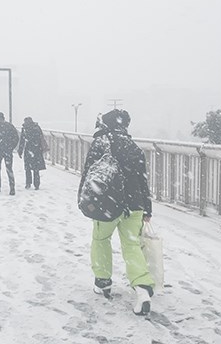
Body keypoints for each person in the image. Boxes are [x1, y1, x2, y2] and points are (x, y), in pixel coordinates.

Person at [78, 109, 155, 316]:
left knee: (101, 239)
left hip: (107, 204)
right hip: (135, 204)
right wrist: (147, 208)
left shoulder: (101, 143)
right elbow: (142, 180)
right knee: (132, 245)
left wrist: (84, 201)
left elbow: (89, 174)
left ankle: (103, 281)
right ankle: (142, 289)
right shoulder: (134, 147)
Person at [17, 117, 46, 190]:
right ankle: (37, 184)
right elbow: (41, 138)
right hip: (37, 150)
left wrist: (20, 151)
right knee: (36, 168)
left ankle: (28, 183)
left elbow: (22, 141)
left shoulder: (25, 128)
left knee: (28, 168)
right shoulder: (36, 127)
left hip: (28, 149)